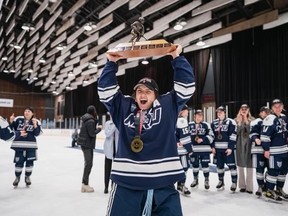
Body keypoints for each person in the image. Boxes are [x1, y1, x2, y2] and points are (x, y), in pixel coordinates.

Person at [98, 44, 195, 216]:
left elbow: (187, 86)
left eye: (148, 91)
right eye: (139, 91)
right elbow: (106, 92)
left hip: (163, 186)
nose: (143, 95)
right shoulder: (123, 107)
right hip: (126, 186)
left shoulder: (168, 106)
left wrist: (177, 58)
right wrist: (111, 63)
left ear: (156, 96)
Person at [261, 99, 288, 201]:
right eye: (275, 106)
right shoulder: (269, 118)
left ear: (282, 107)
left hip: (285, 151)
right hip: (274, 151)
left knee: (283, 171)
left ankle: (279, 189)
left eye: (279, 106)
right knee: (273, 171)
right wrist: (266, 149)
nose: (277, 108)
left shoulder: (284, 118)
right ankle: (269, 190)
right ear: (272, 108)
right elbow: (264, 136)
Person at [9, 107, 42, 187]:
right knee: (18, 163)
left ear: (32, 113)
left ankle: (27, 177)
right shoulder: (18, 119)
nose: (26, 112)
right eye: (25, 111)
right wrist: (11, 121)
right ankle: (17, 177)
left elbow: (37, 134)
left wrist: (35, 125)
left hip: (31, 147)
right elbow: (11, 130)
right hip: (19, 146)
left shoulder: (36, 121)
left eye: (29, 111)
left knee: (29, 164)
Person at [211, 106, 238, 192]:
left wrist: (230, 148)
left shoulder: (231, 122)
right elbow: (211, 136)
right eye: (218, 112)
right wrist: (212, 147)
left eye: (221, 112)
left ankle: (234, 182)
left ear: (224, 112)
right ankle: (221, 181)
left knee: (232, 166)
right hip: (217, 150)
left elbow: (233, 136)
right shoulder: (214, 122)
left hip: (227, 149)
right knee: (219, 166)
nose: (219, 113)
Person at [77, 105, 102, 193]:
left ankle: (84, 184)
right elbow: (92, 133)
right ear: (93, 112)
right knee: (89, 164)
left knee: (88, 163)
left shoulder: (86, 119)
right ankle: (85, 184)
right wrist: (99, 129)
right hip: (87, 144)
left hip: (85, 143)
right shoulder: (90, 121)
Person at [189, 109, 214, 190]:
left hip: (204, 150)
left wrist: (203, 139)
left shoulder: (206, 125)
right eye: (199, 115)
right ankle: (195, 180)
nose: (200, 117)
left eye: (201, 115)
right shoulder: (189, 125)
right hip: (194, 150)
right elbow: (186, 136)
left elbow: (211, 136)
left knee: (205, 166)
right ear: (194, 116)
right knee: (195, 165)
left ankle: (206, 180)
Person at [250, 106, 271, 196]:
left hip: (270, 150)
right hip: (258, 150)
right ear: (260, 113)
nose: (265, 113)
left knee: (271, 169)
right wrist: (255, 139)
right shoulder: (256, 122)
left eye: (267, 111)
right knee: (259, 170)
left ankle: (267, 186)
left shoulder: (272, 121)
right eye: (263, 111)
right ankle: (260, 186)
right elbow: (252, 134)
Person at [235, 104, 255, 194]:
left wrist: (246, 120)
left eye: (245, 109)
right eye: (242, 109)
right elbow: (236, 133)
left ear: (248, 110)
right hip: (239, 144)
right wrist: (239, 123)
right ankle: (242, 186)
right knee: (240, 165)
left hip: (249, 144)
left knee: (249, 165)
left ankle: (250, 187)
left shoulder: (253, 120)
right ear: (239, 110)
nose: (243, 110)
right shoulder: (236, 120)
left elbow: (251, 132)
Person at [175, 105, 192, 195]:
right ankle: (181, 185)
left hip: (173, 150)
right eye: (186, 110)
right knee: (184, 167)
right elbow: (185, 138)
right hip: (182, 151)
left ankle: (176, 185)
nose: (188, 112)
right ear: (182, 111)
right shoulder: (182, 120)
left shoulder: (173, 118)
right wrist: (190, 149)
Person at [103, 113, 119, 194]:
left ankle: (113, 186)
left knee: (115, 170)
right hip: (108, 150)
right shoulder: (108, 123)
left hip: (117, 150)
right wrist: (114, 125)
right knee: (107, 169)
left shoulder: (119, 123)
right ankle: (106, 186)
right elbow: (107, 134)